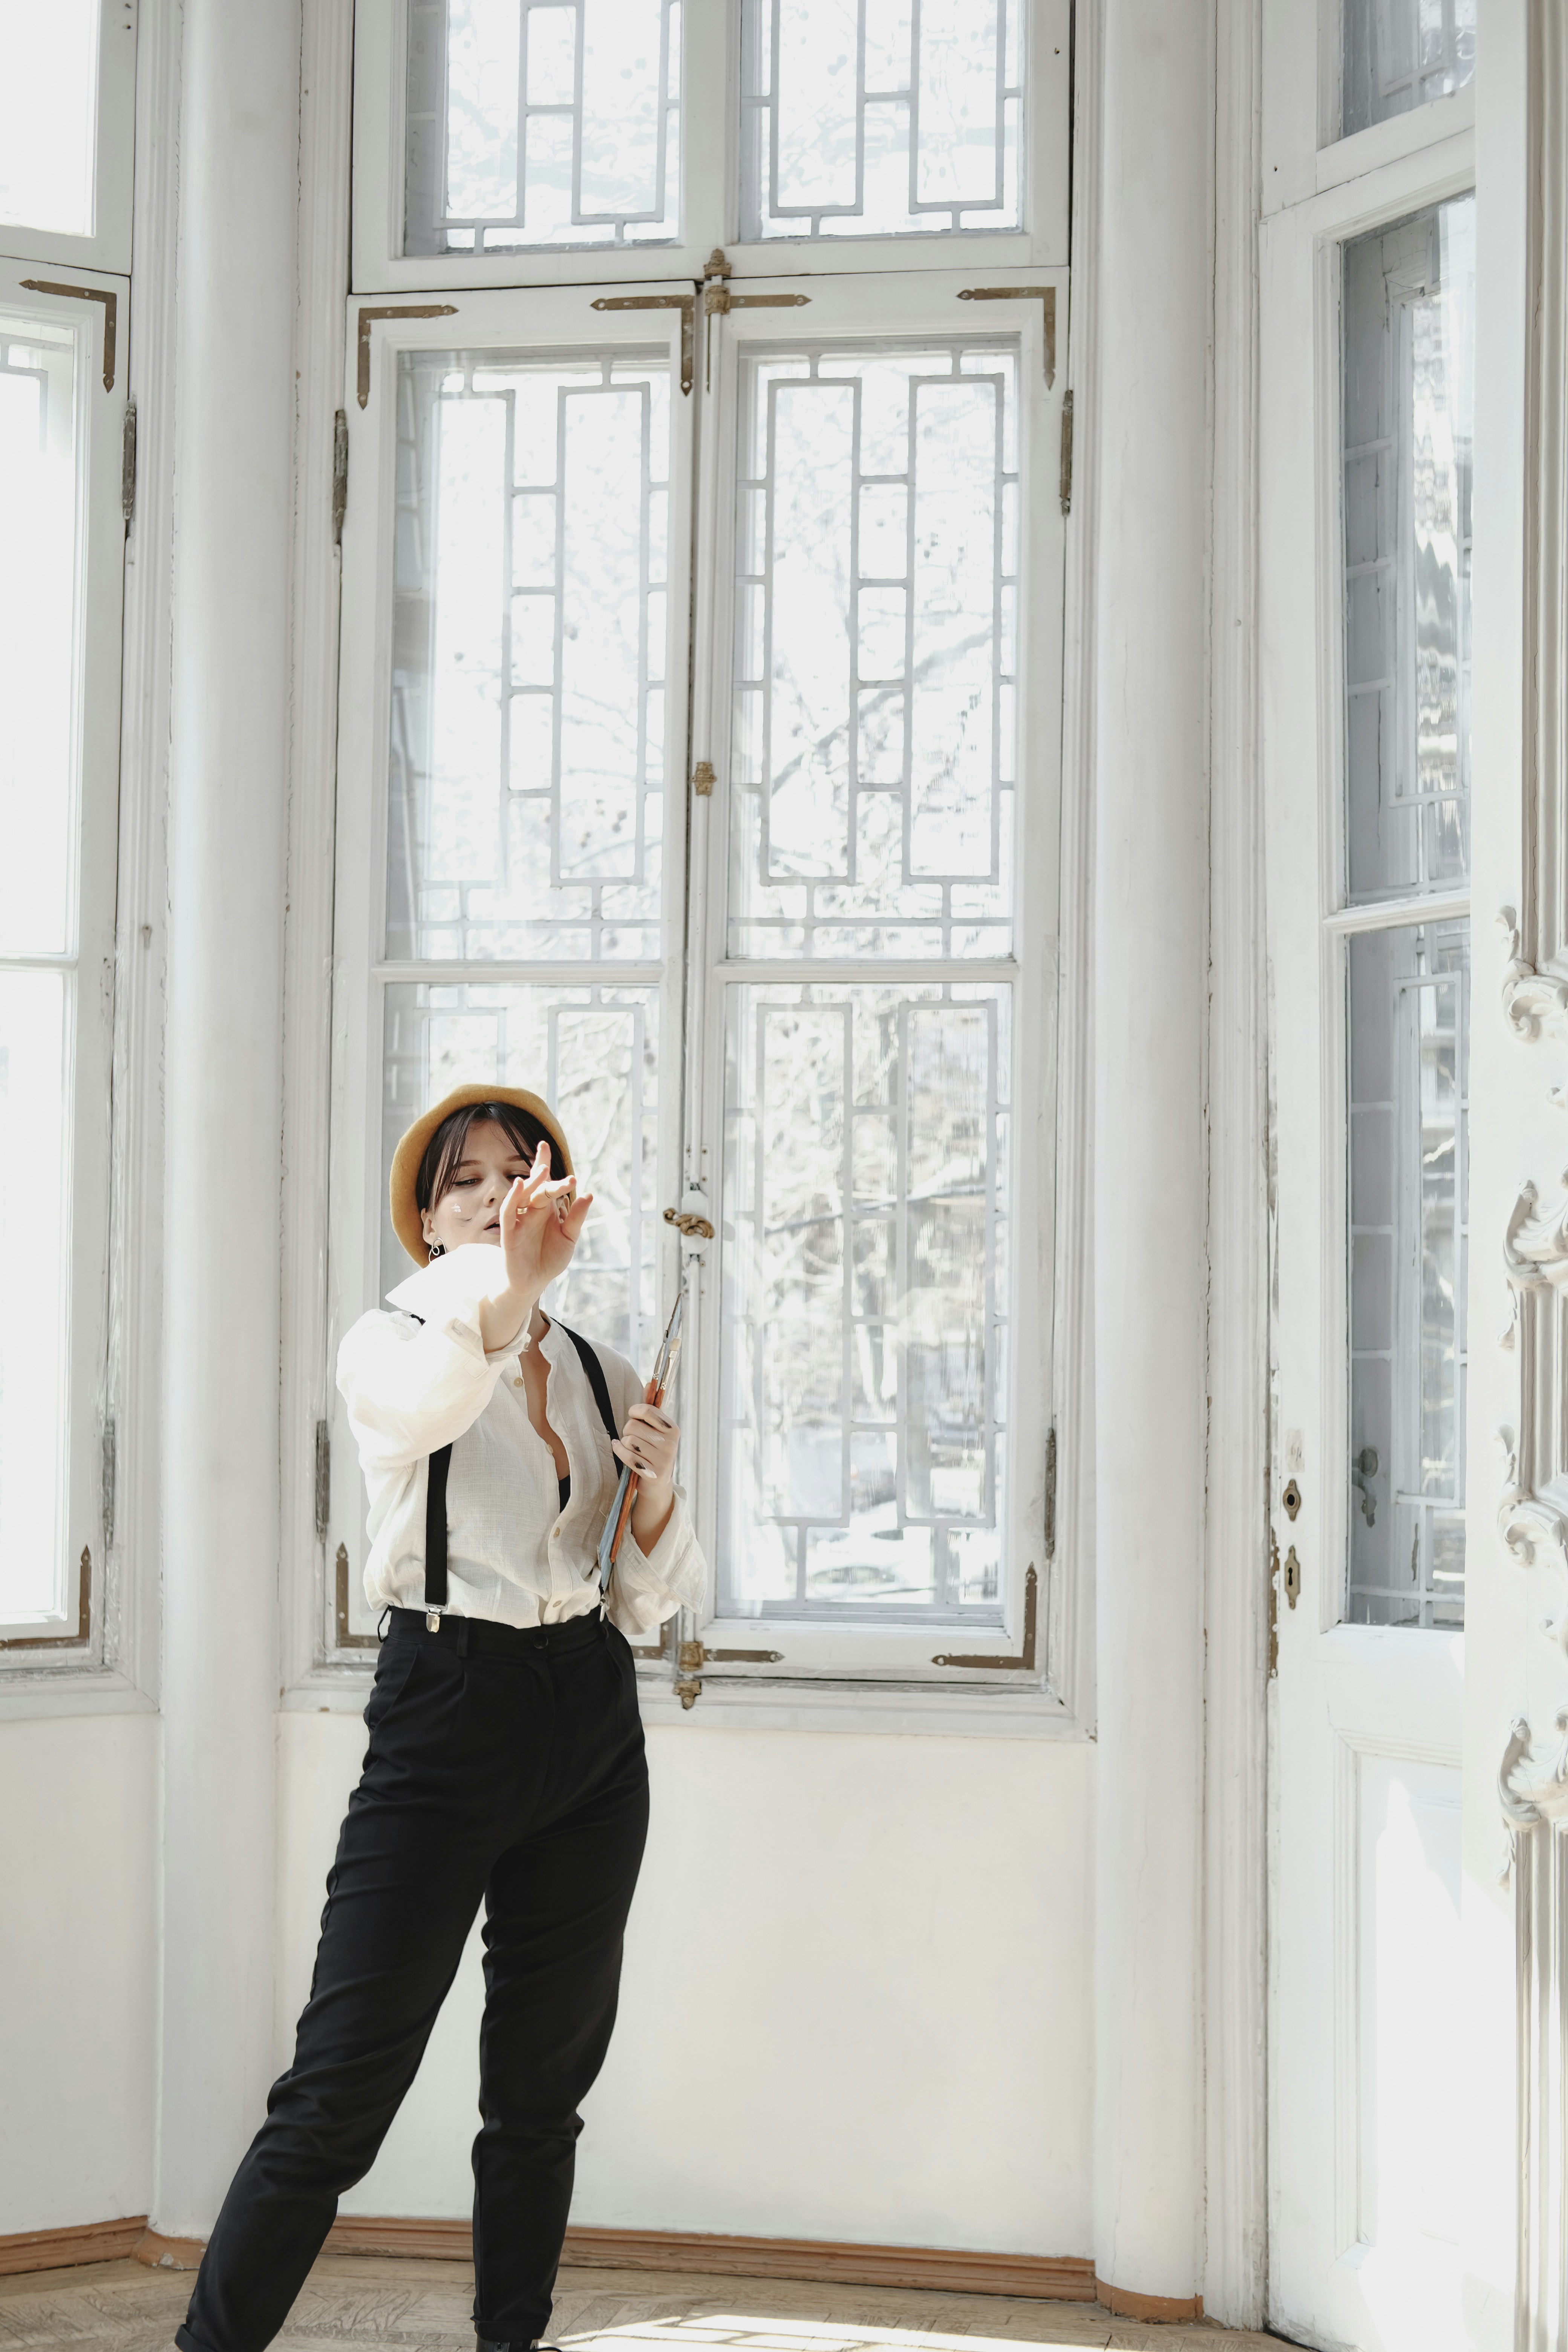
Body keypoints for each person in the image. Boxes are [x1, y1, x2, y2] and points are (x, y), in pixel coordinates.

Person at [175, 1083, 706, 2352]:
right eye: (468, 1179)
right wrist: (505, 1290)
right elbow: (426, 1414)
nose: (497, 1192)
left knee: (540, 2093)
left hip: (587, 1717)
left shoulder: (599, 1367)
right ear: (428, 1215)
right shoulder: (394, 1340)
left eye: (522, 1172)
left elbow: (642, 1601)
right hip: (445, 1708)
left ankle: (511, 2339)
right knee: (338, 2093)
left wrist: (653, 1495)